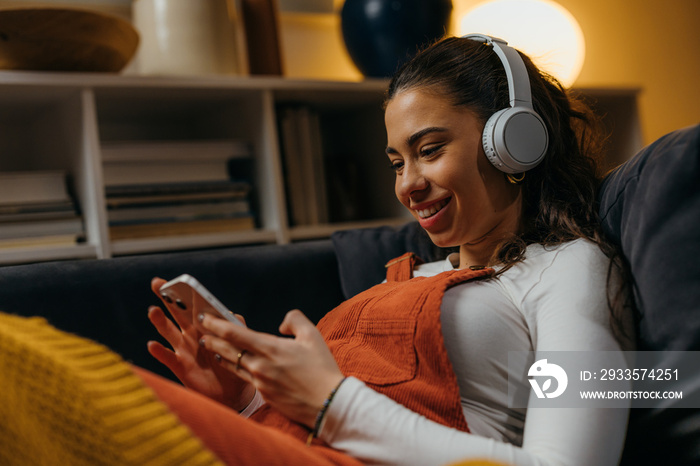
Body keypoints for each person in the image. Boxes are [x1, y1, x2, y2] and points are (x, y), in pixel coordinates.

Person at [141, 33, 632, 465]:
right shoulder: (403, 276)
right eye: (397, 163)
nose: (408, 186)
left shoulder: (569, 267)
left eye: (430, 150)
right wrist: (245, 399)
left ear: (513, 141)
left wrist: (334, 403)